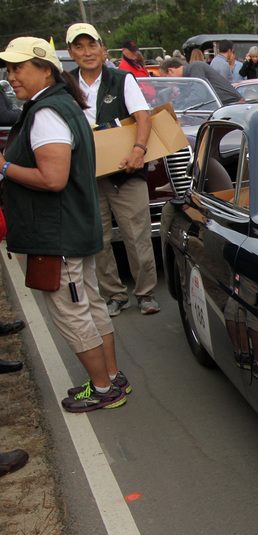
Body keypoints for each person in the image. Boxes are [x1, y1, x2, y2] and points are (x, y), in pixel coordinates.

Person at [0, 36, 129, 412]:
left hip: (57, 233)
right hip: (71, 227)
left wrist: (5, 167)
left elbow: (53, 178)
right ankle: (112, 377)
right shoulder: (60, 104)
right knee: (89, 304)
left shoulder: (48, 113)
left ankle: (104, 388)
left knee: (73, 311)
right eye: (8, 69)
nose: (11, 77)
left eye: (18, 68)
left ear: (45, 69)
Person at [66, 23, 161, 316]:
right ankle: (114, 295)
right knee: (99, 239)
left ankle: (145, 294)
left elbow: (143, 118)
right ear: (71, 52)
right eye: (79, 47)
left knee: (138, 235)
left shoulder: (121, 79)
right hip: (86, 174)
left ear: (102, 49)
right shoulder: (66, 83)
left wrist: (138, 150)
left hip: (126, 171)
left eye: (92, 45)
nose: (87, 52)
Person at [165, 57, 242, 106]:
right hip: (221, 107)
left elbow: (199, 96)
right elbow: (182, 99)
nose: (169, 82)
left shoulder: (195, 67)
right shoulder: (185, 80)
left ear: (170, 70)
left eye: (166, 77)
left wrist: (182, 111)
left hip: (232, 105)